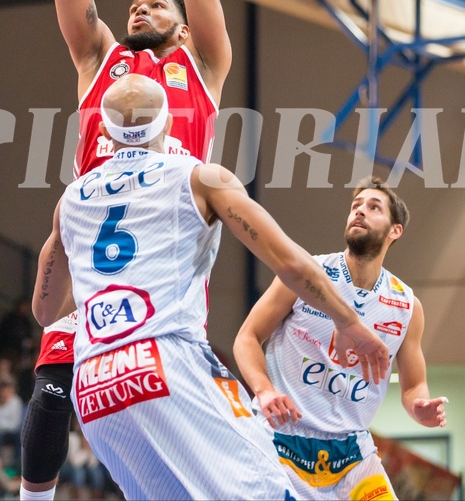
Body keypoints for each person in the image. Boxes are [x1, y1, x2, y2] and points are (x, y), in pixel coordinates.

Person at [31, 75, 389, 501]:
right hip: (165, 362)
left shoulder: (70, 200)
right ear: (168, 125)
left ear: (105, 133)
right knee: (273, 491)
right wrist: (347, 320)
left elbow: (46, 310)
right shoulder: (201, 177)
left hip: (92, 386)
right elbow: (290, 262)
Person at [20, 0, 232, 501]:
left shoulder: (204, 65)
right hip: (96, 247)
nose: (143, 4)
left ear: (182, 22)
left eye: (157, 1)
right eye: (136, 1)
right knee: (53, 386)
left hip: (169, 261)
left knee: (169, 429)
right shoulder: (98, 60)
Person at [233, 177, 449, 501]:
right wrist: (263, 390)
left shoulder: (407, 305)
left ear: (395, 230)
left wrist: (418, 407)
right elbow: (247, 337)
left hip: (352, 453)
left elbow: (413, 385)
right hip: (281, 438)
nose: (359, 212)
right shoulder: (306, 274)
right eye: (355, 206)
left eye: (373, 207)